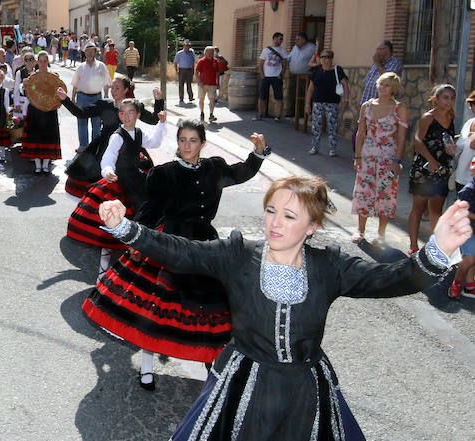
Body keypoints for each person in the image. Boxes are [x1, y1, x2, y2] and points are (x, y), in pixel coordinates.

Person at [97, 176, 470, 441]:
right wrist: (126, 229)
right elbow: (181, 252)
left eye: (289, 216)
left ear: (312, 226)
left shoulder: (330, 266)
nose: (275, 222)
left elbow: (391, 279)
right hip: (243, 386)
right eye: (271, 210)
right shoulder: (238, 254)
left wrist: (435, 251)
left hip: (305, 391)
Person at [86, 122, 266, 390]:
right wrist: (137, 240)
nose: (187, 146)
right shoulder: (164, 174)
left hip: (206, 245)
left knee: (211, 308)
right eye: (182, 140)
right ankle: (146, 369)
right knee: (156, 309)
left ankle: (212, 368)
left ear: (202, 143)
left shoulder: (214, 168)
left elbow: (241, 172)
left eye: (193, 140)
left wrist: (258, 153)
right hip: (170, 243)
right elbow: (150, 209)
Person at [67, 99, 167, 278]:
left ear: (137, 115)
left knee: (143, 220)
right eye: (123, 113)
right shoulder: (117, 136)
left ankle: (135, 264)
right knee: (113, 227)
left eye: (131, 113)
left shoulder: (138, 132)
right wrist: (107, 172)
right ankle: (103, 270)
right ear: (119, 115)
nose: (126, 116)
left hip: (137, 179)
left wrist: (161, 123)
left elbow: (154, 143)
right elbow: (107, 159)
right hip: (120, 182)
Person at [57, 78, 163, 198]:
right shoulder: (104, 104)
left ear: (126, 90)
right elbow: (81, 113)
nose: (113, 91)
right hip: (103, 147)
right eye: (112, 87)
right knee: (102, 183)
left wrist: (158, 101)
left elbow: (154, 120)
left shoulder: (133, 106)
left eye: (117, 88)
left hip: (128, 148)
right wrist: (65, 99)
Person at [350, 72, 407, 245]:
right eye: (381, 84)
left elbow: (402, 138)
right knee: (363, 190)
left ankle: (381, 234)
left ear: (394, 89)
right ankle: (360, 230)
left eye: (387, 85)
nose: (382, 88)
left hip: (388, 157)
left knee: (386, 194)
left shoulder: (400, 108)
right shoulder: (366, 106)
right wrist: (357, 156)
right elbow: (361, 132)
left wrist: (397, 161)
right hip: (367, 155)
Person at [408, 84, 456, 254]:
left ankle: (434, 248)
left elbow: (446, 138)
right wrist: (431, 160)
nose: (449, 101)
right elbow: (417, 141)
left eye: (452, 98)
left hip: (442, 170)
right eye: (445, 97)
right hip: (424, 169)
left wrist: (454, 144)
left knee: (436, 209)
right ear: (436, 99)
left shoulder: (451, 116)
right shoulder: (428, 117)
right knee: (418, 208)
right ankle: (413, 246)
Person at [19, 52, 62, 174]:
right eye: (41, 61)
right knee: (35, 137)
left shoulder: (54, 76)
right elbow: (28, 92)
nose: (43, 63)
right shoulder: (32, 76)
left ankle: (46, 165)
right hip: (35, 110)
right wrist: (25, 85)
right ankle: (38, 165)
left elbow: (58, 92)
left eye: (45, 61)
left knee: (48, 137)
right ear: (37, 62)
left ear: (48, 61)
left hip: (49, 110)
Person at [304, 49, 350, 156]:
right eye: (323, 57)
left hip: (332, 103)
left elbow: (345, 85)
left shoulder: (337, 70)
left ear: (331, 59)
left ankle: (332, 148)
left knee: (332, 125)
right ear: (320, 59)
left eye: (327, 57)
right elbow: (310, 89)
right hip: (317, 103)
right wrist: (307, 104)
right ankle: (315, 147)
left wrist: (346, 99)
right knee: (316, 126)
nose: (325, 59)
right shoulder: (316, 72)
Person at [71, 42, 109, 150]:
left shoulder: (101, 66)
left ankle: (94, 147)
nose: (90, 53)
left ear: (95, 52)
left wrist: (106, 97)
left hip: (97, 98)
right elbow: (75, 84)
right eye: (88, 51)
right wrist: (73, 97)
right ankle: (83, 146)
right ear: (85, 52)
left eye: (92, 51)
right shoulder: (80, 67)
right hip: (82, 97)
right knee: (82, 123)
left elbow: (106, 83)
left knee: (96, 124)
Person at [450, 156, 475, 299]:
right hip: (468, 229)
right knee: (469, 259)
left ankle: (470, 286)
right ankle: (456, 283)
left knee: (472, 258)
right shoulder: (469, 189)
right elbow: (460, 210)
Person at [254, 32, 288, 121]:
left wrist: (281, 74)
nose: (281, 41)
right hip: (266, 76)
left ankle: (278, 116)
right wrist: (262, 75)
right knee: (262, 96)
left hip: (277, 77)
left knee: (278, 97)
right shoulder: (266, 50)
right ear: (275, 39)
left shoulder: (283, 50)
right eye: (280, 39)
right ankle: (260, 114)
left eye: (282, 39)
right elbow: (261, 64)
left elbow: (284, 64)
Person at [360, 40, 404, 105]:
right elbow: (367, 82)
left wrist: (377, 63)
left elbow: (388, 79)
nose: (377, 52)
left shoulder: (395, 63)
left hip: (383, 105)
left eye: (379, 49)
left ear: (387, 49)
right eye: (377, 50)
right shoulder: (376, 64)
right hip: (368, 103)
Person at [285, 32, 316, 117]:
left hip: (305, 76)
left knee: (305, 94)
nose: (296, 41)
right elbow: (289, 58)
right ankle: (293, 112)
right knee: (292, 94)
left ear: (303, 40)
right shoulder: (295, 48)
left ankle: (305, 113)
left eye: (298, 39)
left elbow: (317, 58)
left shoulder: (312, 47)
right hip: (294, 75)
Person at [195, 46, 220, 123]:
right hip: (202, 84)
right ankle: (202, 113)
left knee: (212, 99)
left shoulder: (215, 61)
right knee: (201, 99)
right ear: (205, 53)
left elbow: (217, 72)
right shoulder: (201, 61)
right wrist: (199, 81)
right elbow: (196, 73)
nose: (210, 54)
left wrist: (217, 82)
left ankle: (211, 114)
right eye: (209, 52)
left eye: (212, 52)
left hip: (212, 84)